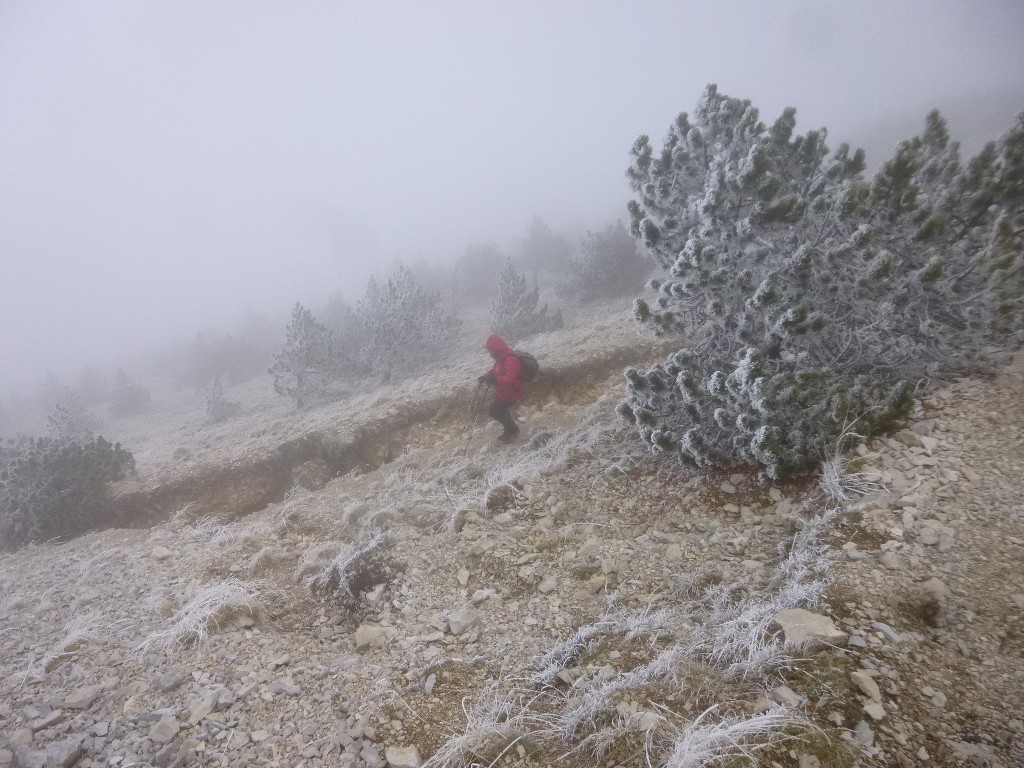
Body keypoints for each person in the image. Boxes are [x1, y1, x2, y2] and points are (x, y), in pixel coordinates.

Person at [478, 334, 522, 441]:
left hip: (512, 392)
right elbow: (495, 370)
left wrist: (496, 380)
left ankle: (513, 429)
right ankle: (509, 429)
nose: (490, 354)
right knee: (500, 410)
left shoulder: (510, 360)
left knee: (495, 411)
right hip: (503, 391)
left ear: (497, 349)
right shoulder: (501, 359)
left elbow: (511, 378)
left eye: (491, 351)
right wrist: (485, 376)